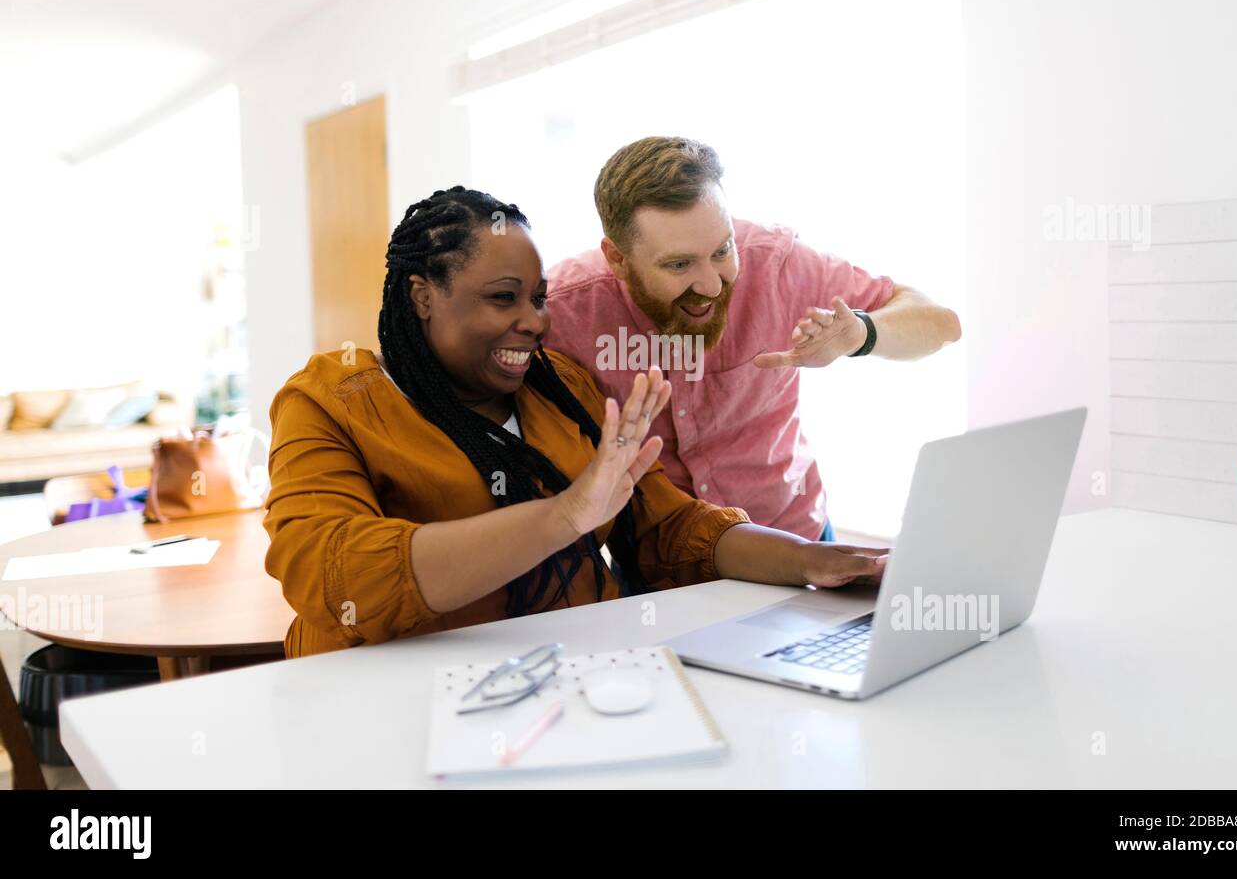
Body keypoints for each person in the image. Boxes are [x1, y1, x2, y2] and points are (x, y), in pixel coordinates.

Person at [262, 187, 889, 658]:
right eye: (502, 298)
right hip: (393, 704)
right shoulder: (329, 400)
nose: (535, 321)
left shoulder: (559, 386)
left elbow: (668, 529)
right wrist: (565, 516)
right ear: (423, 295)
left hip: (578, 682)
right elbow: (331, 570)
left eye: (537, 298)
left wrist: (810, 560)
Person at [543, 136, 962, 542]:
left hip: (801, 539)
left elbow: (941, 325)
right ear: (617, 258)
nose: (710, 284)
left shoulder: (775, 263)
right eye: (679, 264)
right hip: (663, 571)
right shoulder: (562, 308)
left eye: (722, 251)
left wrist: (862, 333)